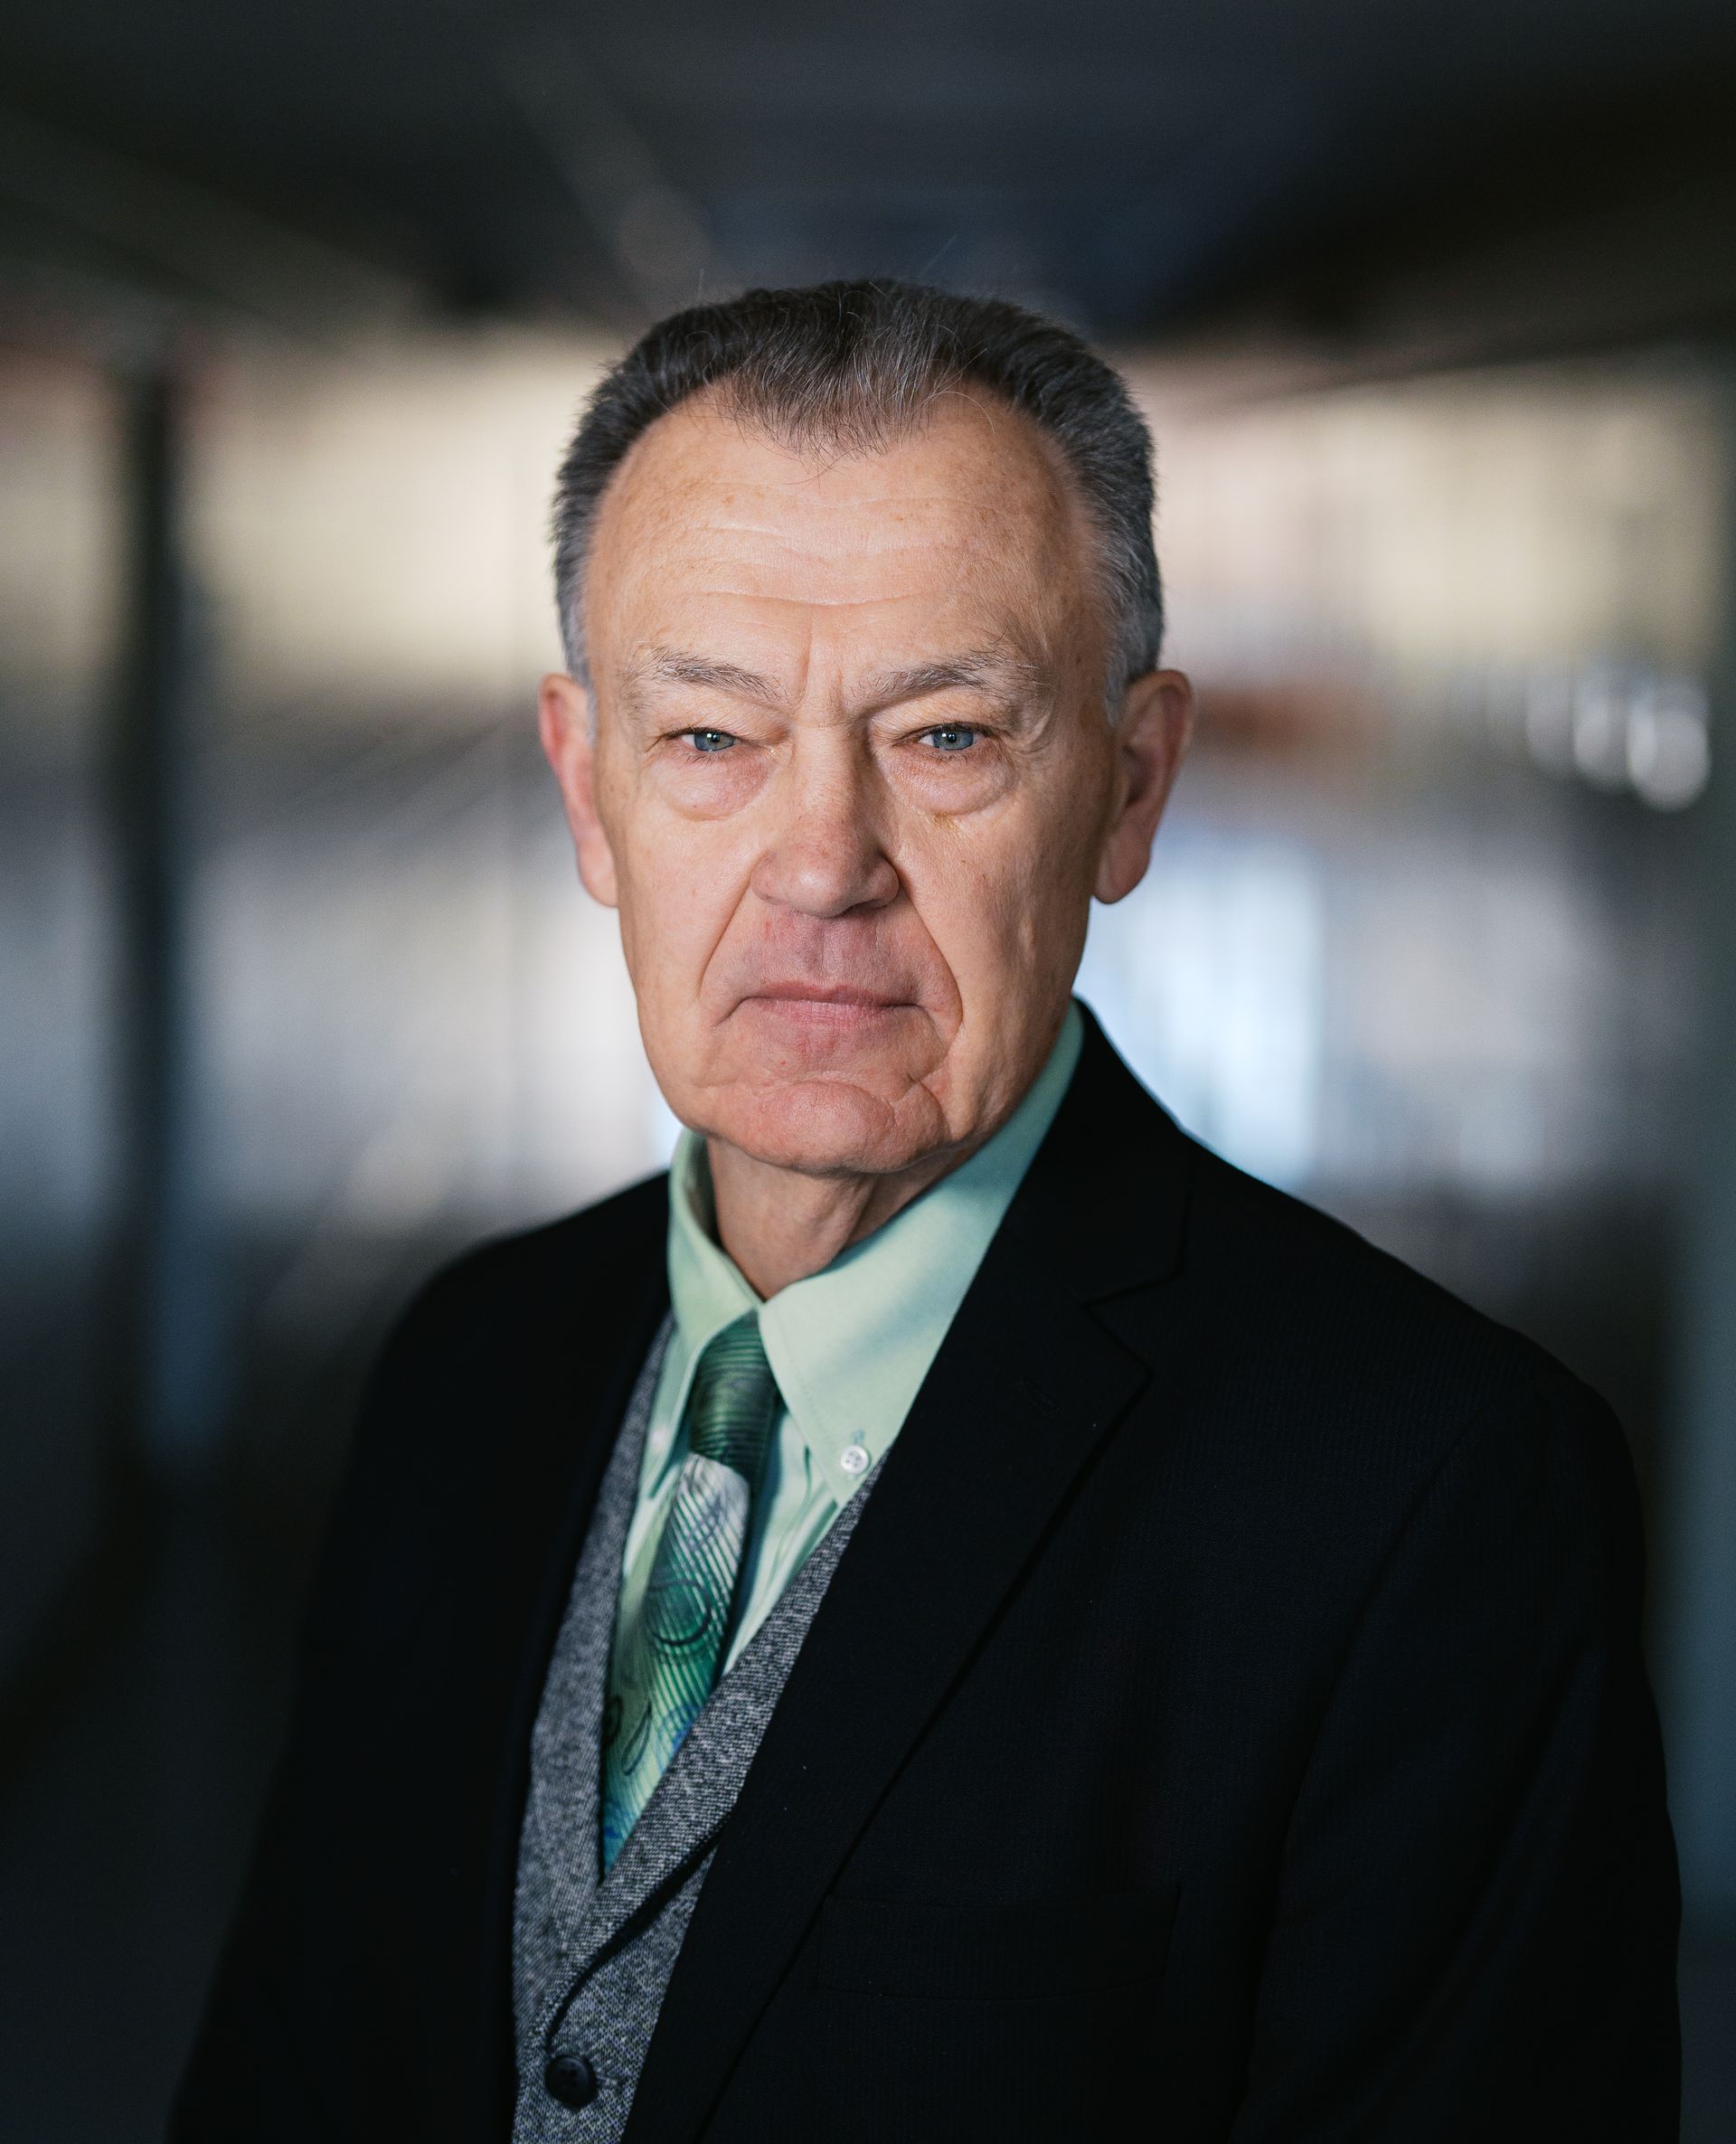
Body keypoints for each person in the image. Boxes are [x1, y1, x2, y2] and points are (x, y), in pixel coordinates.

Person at [172, 280, 1679, 2143]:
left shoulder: (1429, 1495)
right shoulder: (467, 1364)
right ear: (585, 786)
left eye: (949, 735)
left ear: (1129, 789)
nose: (822, 863)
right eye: (709, 739)